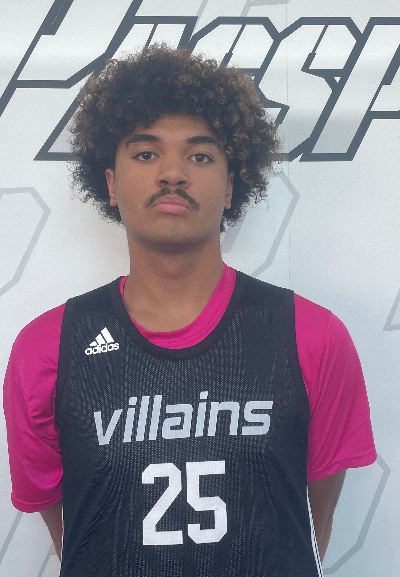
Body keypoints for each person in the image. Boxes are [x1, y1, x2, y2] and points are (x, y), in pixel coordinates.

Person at [3, 45, 376, 577]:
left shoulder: (312, 336)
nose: (173, 173)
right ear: (110, 183)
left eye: (200, 156)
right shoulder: (47, 349)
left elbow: (310, 520)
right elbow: (75, 529)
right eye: (145, 154)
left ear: (230, 186)